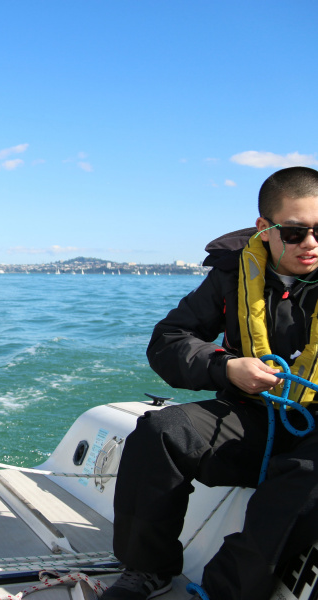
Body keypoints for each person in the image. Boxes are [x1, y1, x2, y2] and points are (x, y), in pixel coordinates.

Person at [102, 166, 318, 600]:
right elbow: (168, 340)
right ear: (265, 228)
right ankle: (147, 567)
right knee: (161, 432)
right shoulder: (230, 274)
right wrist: (226, 367)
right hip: (255, 419)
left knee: (306, 477)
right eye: (295, 232)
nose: (311, 243)